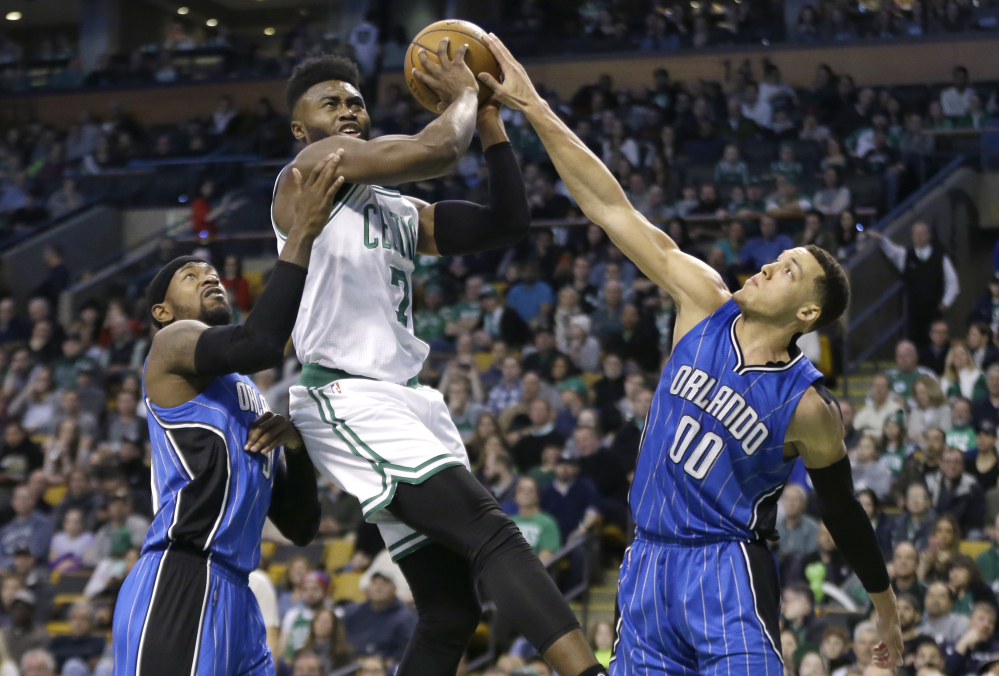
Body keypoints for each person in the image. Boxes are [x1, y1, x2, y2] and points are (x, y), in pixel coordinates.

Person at [475, 32, 903, 674]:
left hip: (726, 572)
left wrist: (887, 607)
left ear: (807, 313)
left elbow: (841, 510)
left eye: (786, 270)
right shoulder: (703, 299)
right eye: (775, 258)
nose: (765, 267)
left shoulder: (808, 406)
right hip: (646, 567)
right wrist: (532, 105)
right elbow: (608, 207)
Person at [270, 52, 606, 676]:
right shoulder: (308, 170)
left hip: (408, 400)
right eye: (330, 103)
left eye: (354, 102)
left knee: (451, 609)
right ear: (301, 129)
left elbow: (508, 222)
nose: (348, 111)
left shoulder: (395, 209)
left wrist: (490, 121)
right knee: (492, 531)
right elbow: (434, 151)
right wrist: (462, 96)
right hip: (346, 394)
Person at [109, 147, 333, 676]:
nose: (208, 276)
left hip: (239, 595)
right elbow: (260, 342)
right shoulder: (171, 346)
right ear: (161, 312)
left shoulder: (244, 391)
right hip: (180, 578)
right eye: (191, 274)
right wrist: (300, 233)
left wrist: (297, 450)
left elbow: (300, 526)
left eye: (211, 271)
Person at [867, 223, 959, 346]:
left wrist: (946, 302)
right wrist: (880, 239)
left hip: (934, 311)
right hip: (913, 312)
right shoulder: (905, 255)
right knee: (914, 344)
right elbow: (891, 250)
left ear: (928, 235)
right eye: (916, 234)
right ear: (912, 236)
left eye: (922, 234)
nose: (919, 237)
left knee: (936, 344)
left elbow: (952, 281)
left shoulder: (940, 257)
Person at [343, 572, 417, 663]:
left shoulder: (406, 617)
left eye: (384, 584)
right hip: (352, 665)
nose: (378, 588)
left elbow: (408, 650)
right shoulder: (353, 612)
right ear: (368, 588)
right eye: (375, 583)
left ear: (394, 589)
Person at [511, 477, 562, 565]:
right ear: (515, 496)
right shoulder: (507, 522)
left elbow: (545, 557)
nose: (526, 493)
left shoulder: (547, 523)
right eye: (521, 490)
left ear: (537, 496)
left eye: (530, 490)